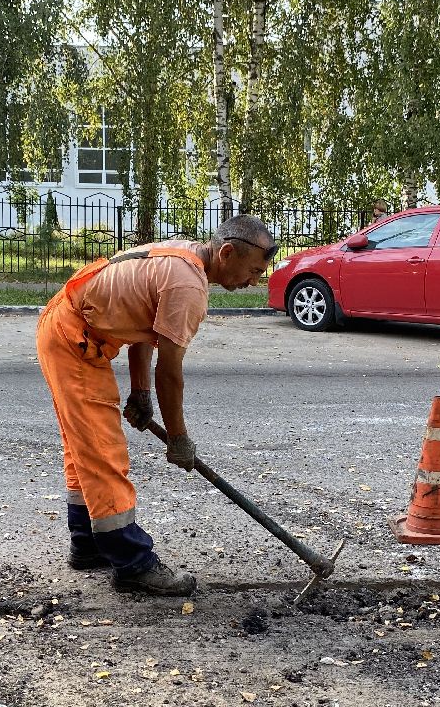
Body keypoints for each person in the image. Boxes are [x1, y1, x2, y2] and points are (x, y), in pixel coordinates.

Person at [36, 215, 276, 596]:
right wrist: (178, 438)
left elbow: (146, 330)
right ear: (227, 252)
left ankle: (88, 544)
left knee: (83, 448)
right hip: (73, 339)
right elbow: (171, 372)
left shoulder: (183, 256)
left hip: (70, 329)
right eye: (253, 270)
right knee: (101, 450)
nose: (254, 280)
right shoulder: (188, 285)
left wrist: (140, 392)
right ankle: (132, 564)